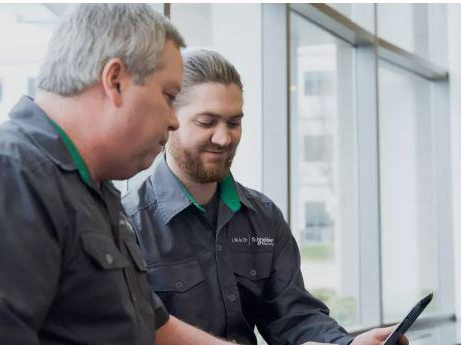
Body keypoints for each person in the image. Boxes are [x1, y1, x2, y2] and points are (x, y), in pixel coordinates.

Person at [0, 5, 236, 345]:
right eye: (168, 96)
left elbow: (154, 328)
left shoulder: (96, 188)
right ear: (115, 80)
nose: (173, 120)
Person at [123, 49, 409, 345]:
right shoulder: (129, 225)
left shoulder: (263, 216)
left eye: (234, 123)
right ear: (170, 119)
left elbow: (294, 317)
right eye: (207, 122)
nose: (224, 139)